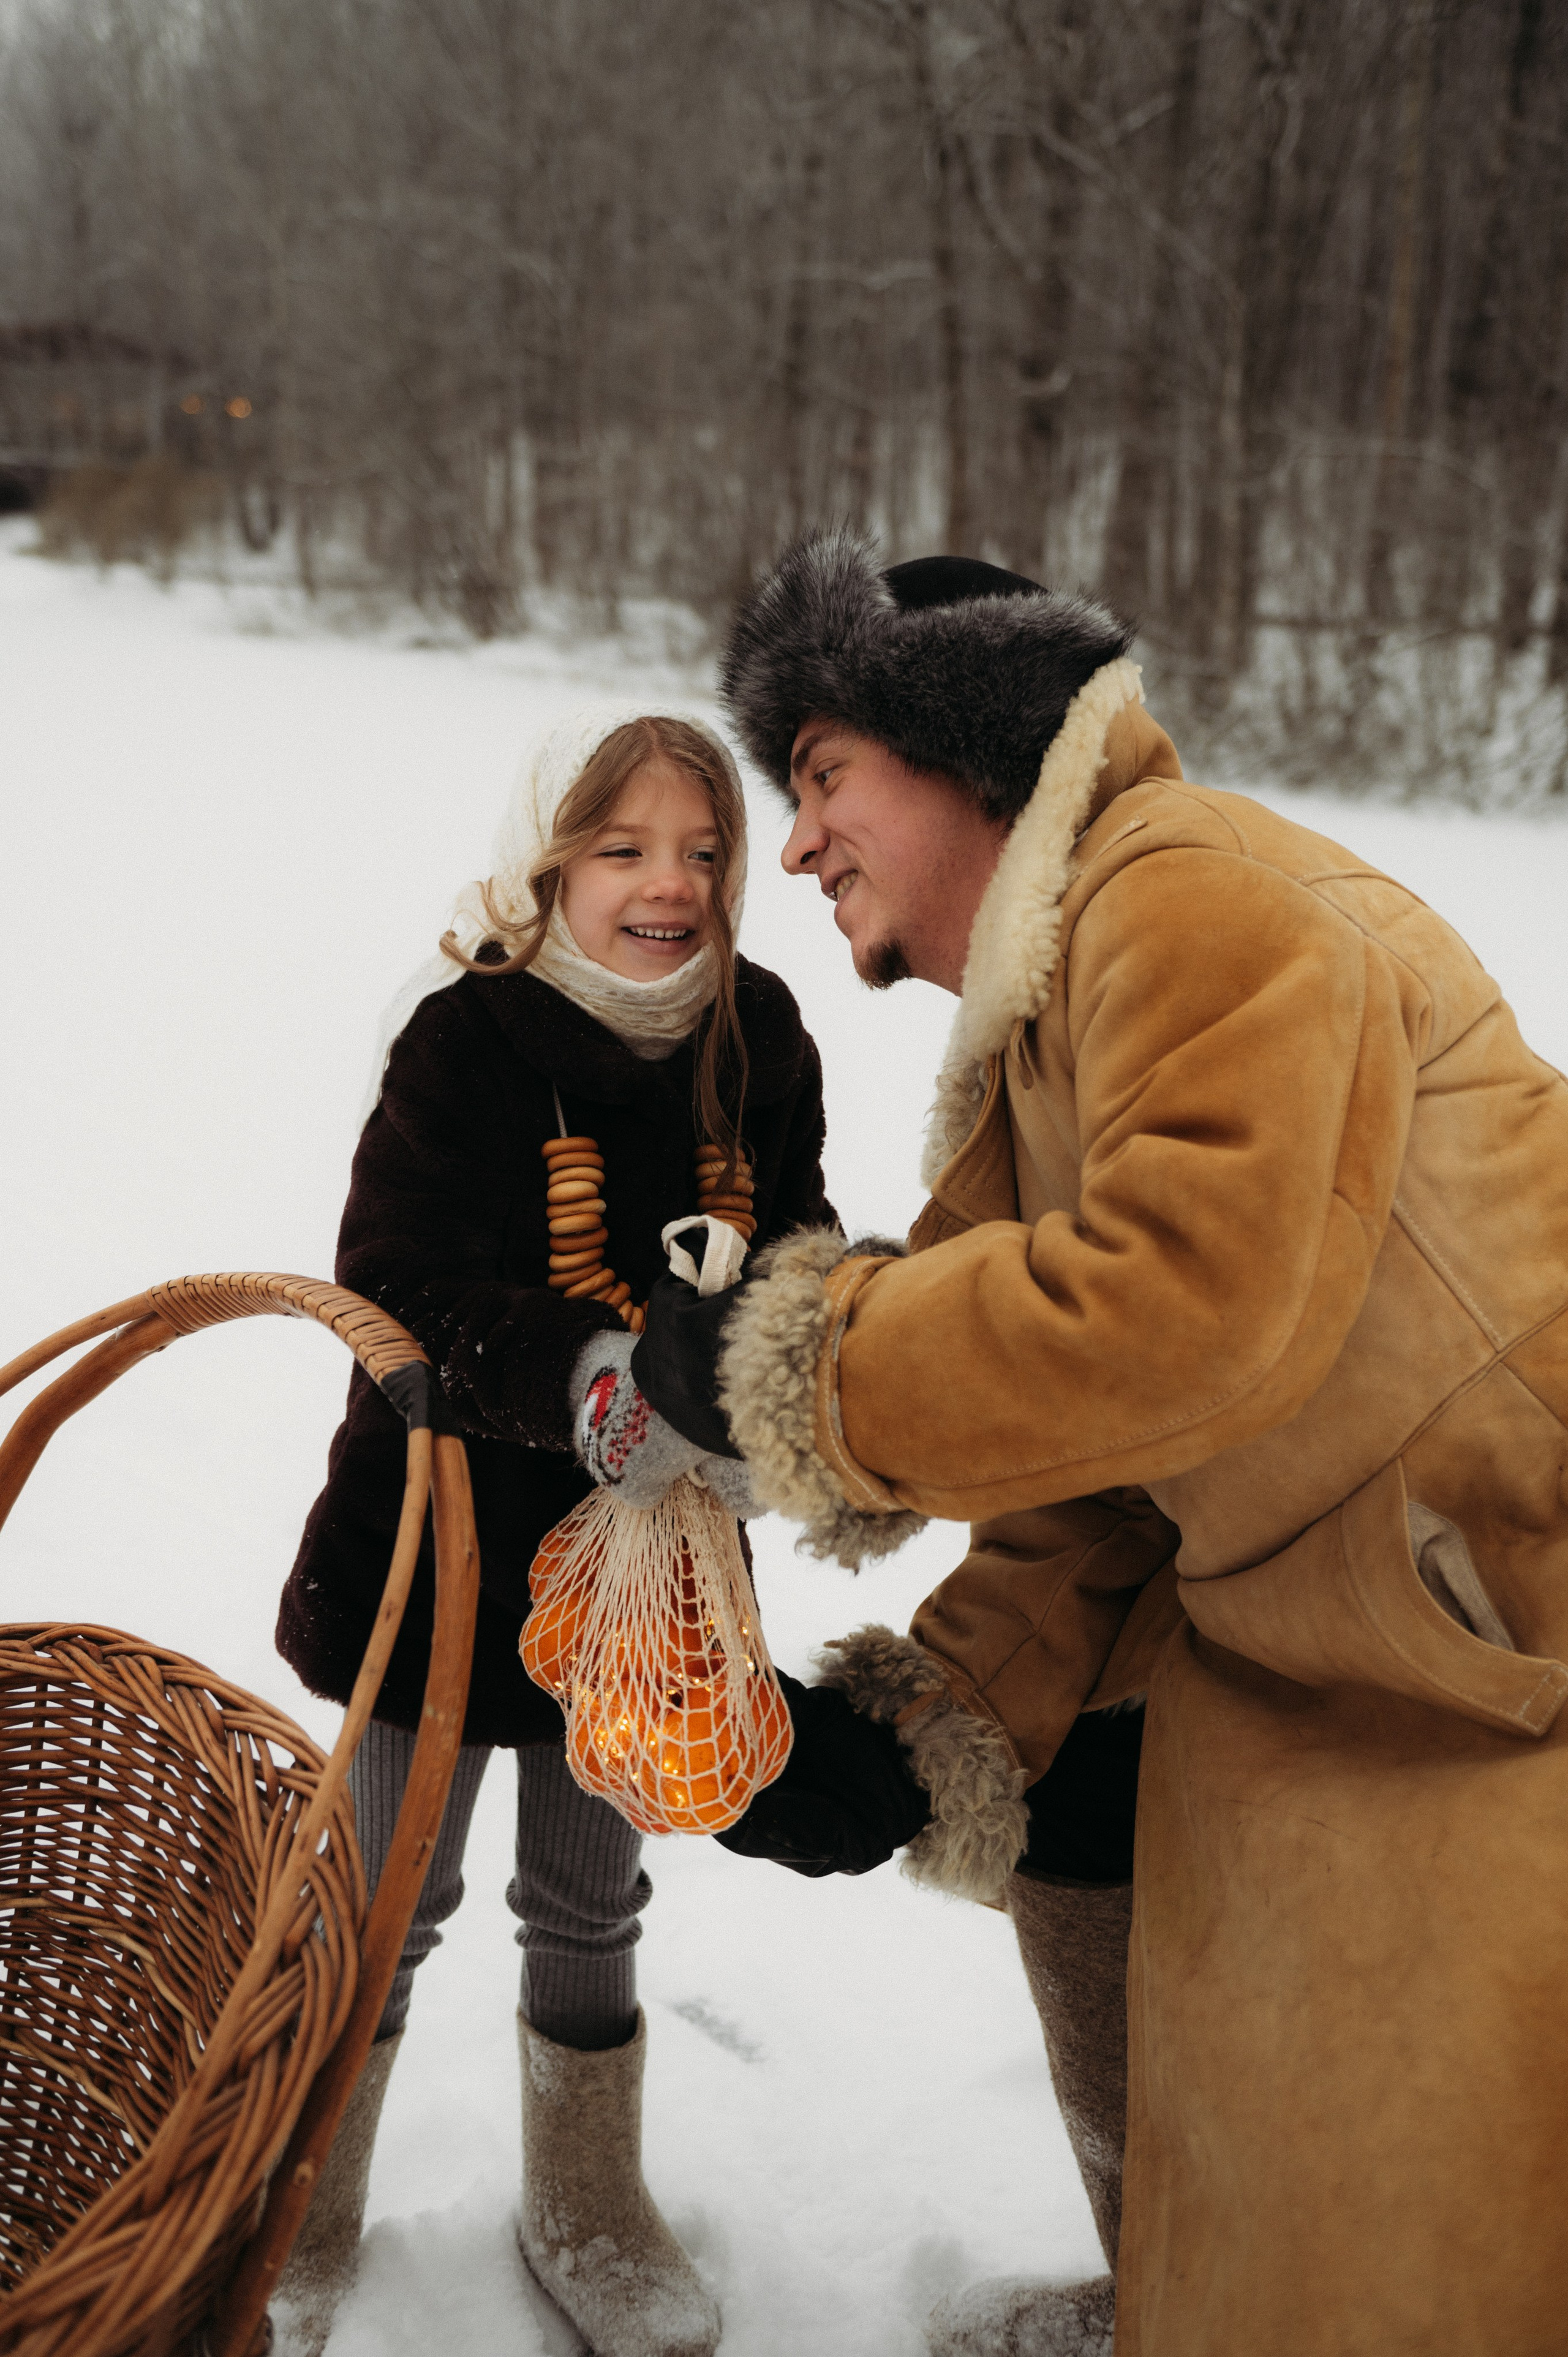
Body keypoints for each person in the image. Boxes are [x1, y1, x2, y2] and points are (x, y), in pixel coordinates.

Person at [630, 531, 1568, 2357]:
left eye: (822, 777)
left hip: (1503, 1643)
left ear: (966, 740)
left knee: (1432, 2254)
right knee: (1131, 1910)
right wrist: (918, 1732)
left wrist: (799, 1355)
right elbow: (1098, 1465)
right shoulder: (1048, 1037)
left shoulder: (1190, 894)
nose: (797, 841)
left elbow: (1185, 1312)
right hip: (1361, 1626)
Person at [272, 704, 835, 2357]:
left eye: (705, 851)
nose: (671, 883)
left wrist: (776, 1393)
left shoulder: (762, 1032)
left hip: (652, 1567)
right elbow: (386, 1283)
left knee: (590, 1896)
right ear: (550, 864)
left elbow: (797, 1243)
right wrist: (587, 1373)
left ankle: (586, 2199)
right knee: (387, 1893)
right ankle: (302, 2196)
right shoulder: (471, 1037)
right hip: (440, 1544)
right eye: (623, 849)